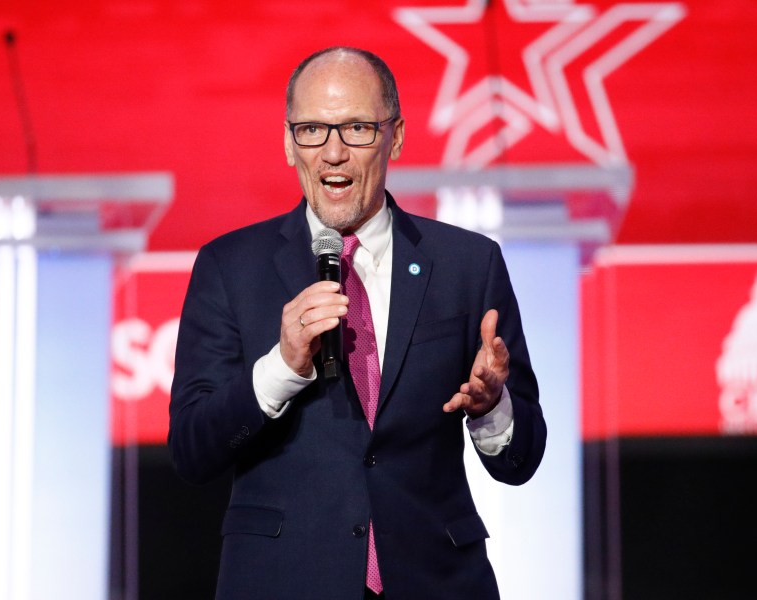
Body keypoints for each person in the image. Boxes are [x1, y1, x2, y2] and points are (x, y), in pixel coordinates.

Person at [169, 46, 546, 600]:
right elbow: (192, 449)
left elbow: (522, 460)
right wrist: (282, 368)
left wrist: (493, 410)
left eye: (357, 129)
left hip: (436, 581)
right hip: (280, 581)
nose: (334, 153)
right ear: (287, 142)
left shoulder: (468, 264)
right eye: (312, 131)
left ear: (394, 137)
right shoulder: (230, 267)